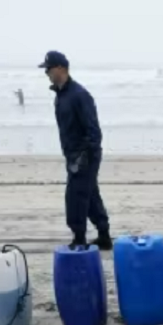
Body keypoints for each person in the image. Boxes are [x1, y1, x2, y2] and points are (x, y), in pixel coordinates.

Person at [39, 50, 111, 250]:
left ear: (61, 68)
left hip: (85, 156)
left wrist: (83, 156)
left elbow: (94, 131)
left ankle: (79, 238)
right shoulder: (61, 96)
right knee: (90, 195)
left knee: (76, 196)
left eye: (49, 69)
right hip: (72, 155)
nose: (47, 74)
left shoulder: (79, 95)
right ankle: (104, 235)